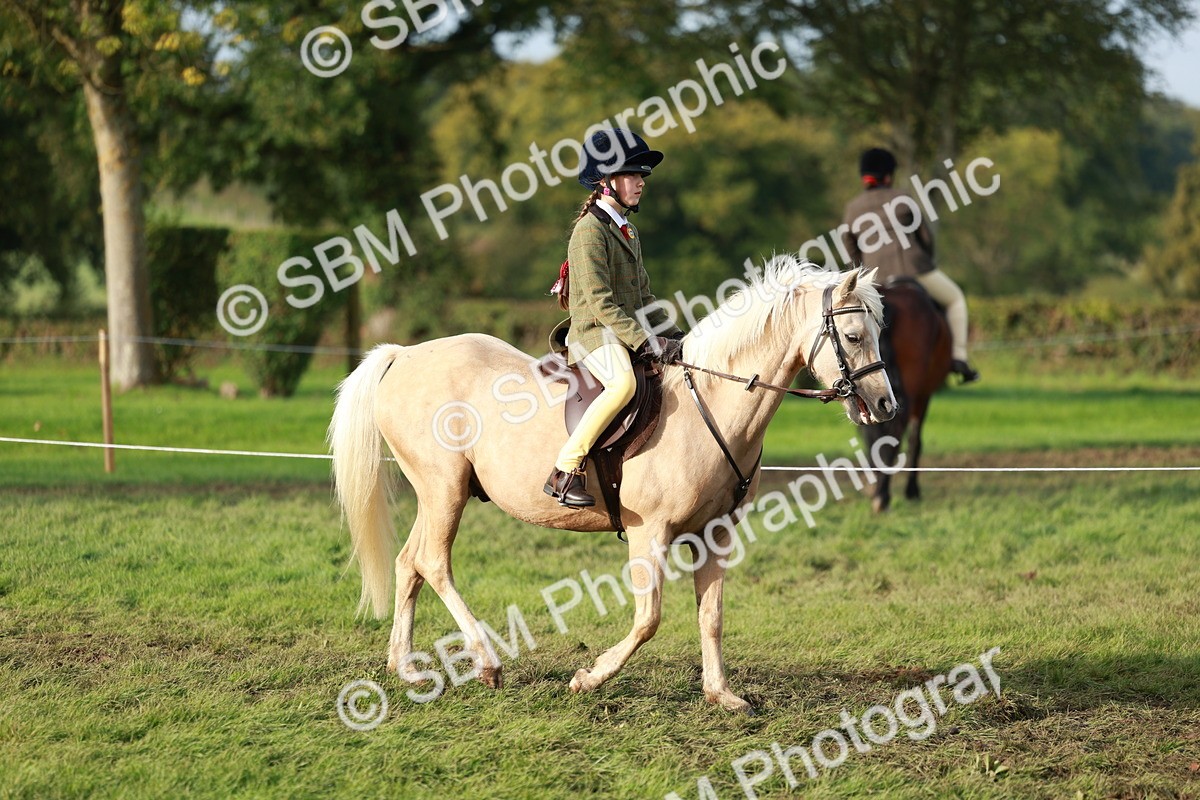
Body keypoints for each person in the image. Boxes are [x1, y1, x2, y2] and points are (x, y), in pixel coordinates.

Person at [543, 128, 684, 507]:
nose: (640, 182)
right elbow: (602, 304)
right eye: (632, 175)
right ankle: (565, 469)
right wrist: (645, 340)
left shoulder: (628, 230)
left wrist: (678, 336)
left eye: (642, 176)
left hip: (620, 330)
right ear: (606, 182)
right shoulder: (589, 231)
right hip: (593, 334)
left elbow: (643, 298)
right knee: (623, 385)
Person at [841, 147, 980, 383]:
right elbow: (925, 237)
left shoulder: (853, 208)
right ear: (889, 176)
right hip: (915, 268)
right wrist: (926, 259)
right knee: (956, 299)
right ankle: (959, 359)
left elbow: (848, 244)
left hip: (876, 278)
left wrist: (862, 270)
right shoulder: (903, 198)